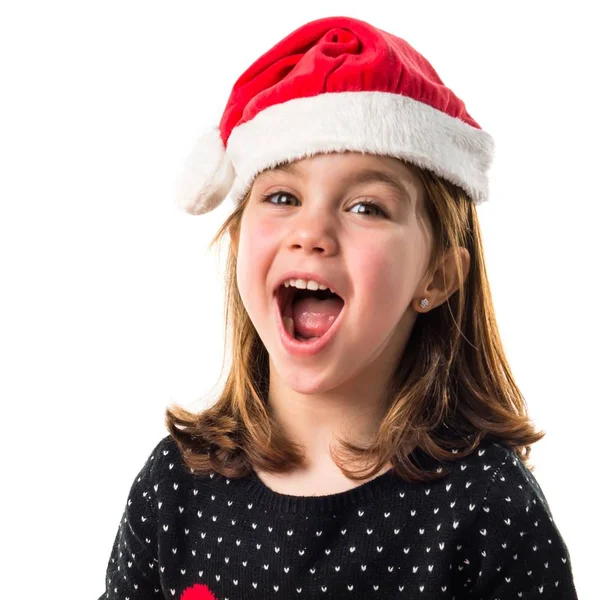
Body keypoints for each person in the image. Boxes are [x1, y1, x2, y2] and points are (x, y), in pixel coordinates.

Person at [98, 15, 579, 599]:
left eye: (367, 207)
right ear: (238, 241)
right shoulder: (175, 486)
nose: (312, 231)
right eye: (281, 196)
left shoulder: (485, 507)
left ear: (437, 275)